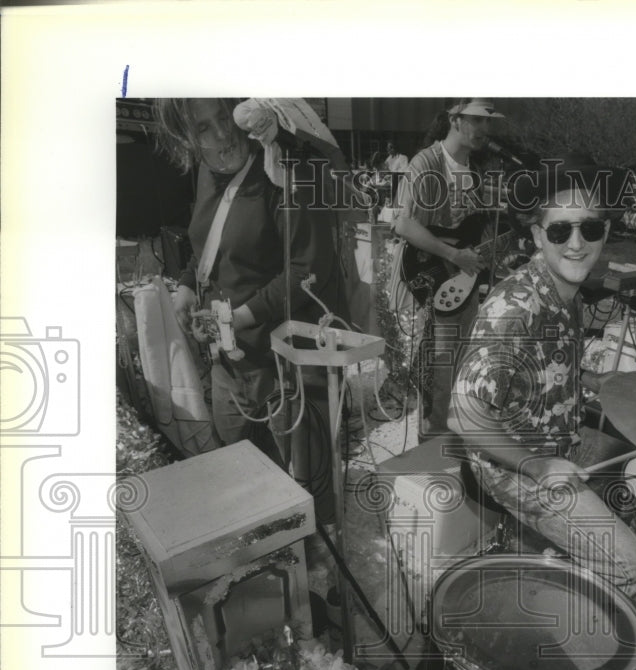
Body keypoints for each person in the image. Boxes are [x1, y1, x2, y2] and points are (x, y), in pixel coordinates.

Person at [448, 157, 636, 615]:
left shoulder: (564, 292)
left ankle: (567, 561)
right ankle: (570, 649)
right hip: (511, 467)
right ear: (538, 236)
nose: (578, 244)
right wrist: (538, 468)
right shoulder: (516, 308)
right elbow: (464, 415)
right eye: (561, 231)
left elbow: (542, 366)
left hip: (559, 439)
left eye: (591, 229)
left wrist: (592, 380)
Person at [154, 97, 346, 447]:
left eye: (224, 117)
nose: (223, 134)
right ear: (187, 139)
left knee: (302, 488)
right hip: (229, 365)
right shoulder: (208, 171)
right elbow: (212, 245)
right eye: (202, 128)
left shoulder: (285, 166)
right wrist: (186, 285)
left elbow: (310, 268)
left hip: (288, 369)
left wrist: (239, 317)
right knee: (242, 481)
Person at [393, 99, 505, 440]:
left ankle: (451, 439)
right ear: (455, 119)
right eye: (477, 121)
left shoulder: (476, 171)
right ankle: (432, 443)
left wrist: (492, 247)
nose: (485, 129)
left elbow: (473, 232)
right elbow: (404, 225)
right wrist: (454, 256)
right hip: (432, 280)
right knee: (439, 369)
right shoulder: (426, 163)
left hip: (465, 286)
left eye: (488, 122)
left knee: (460, 367)